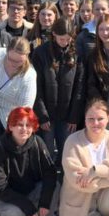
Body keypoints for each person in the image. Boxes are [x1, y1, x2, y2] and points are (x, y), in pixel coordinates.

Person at [30, 18, 78, 165]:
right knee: (47, 153)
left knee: (67, 153)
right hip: (47, 115)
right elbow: (36, 87)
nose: (65, 42)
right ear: (54, 35)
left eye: (68, 39)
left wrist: (74, 116)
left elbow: (79, 87)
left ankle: (66, 184)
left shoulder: (76, 53)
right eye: (61, 39)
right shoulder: (40, 53)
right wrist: (42, 116)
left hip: (67, 114)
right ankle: (48, 184)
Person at [71, 14, 109, 127]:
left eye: (108, 28)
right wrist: (103, 106)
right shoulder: (94, 55)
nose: (105, 33)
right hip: (103, 106)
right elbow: (91, 84)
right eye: (101, 29)